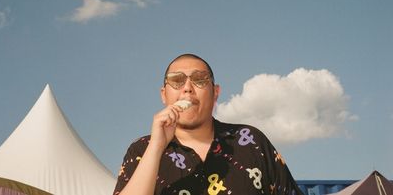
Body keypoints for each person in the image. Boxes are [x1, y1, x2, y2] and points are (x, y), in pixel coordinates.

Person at [113, 54, 303, 195]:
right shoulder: (141, 150)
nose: (188, 88)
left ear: (216, 93)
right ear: (164, 94)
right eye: (177, 81)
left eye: (199, 80)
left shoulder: (252, 141)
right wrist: (156, 147)